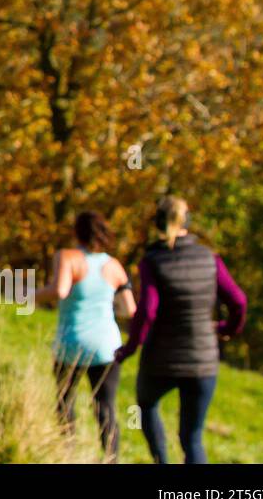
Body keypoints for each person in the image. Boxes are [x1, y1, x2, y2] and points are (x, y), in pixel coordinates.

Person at [115, 196, 248, 464]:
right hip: (203, 361)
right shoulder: (210, 258)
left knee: (147, 404)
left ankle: (161, 460)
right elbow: (239, 301)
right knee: (193, 437)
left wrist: (129, 348)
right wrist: (226, 330)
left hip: (160, 360)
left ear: (158, 223)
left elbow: (148, 309)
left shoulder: (153, 260)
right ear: (187, 221)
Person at [36, 211, 135, 462]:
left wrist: (28, 294)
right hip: (107, 345)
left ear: (76, 232)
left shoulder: (68, 257)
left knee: (65, 401)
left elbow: (59, 290)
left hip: (71, 344)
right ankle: (111, 458)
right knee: (105, 407)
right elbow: (129, 309)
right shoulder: (114, 266)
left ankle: (67, 454)